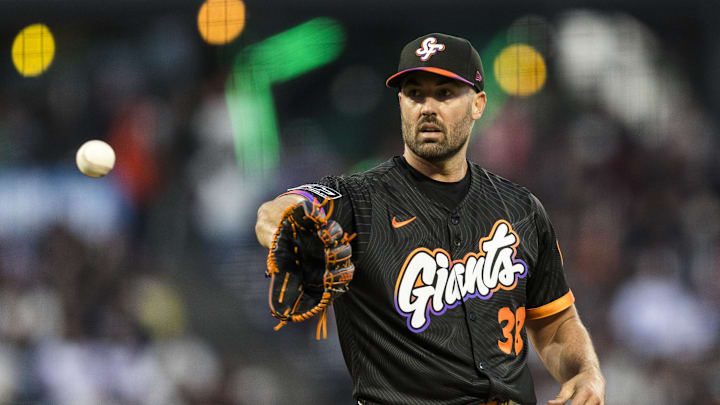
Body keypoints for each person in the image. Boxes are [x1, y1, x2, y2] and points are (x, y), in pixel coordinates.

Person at [255, 33, 605, 405]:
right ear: (401, 103)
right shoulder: (360, 200)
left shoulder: (521, 209)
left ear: (478, 104)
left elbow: (554, 325)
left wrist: (586, 372)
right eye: (415, 93)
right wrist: (290, 232)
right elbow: (275, 212)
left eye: (444, 93)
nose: (427, 107)